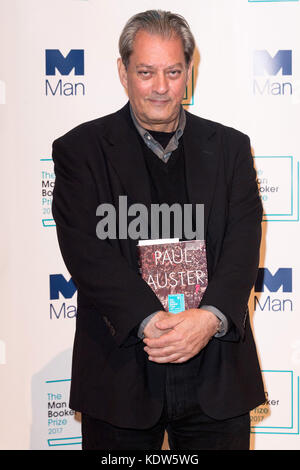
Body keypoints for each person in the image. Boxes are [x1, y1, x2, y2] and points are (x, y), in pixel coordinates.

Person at [52, 10, 265, 450]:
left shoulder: (230, 147)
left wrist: (208, 320)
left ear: (189, 70)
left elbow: (244, 244)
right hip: (120, 374)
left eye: (172, 71)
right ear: (123, 71)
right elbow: (85, 250)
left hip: (216, 374)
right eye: (146, 72)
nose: (161, 88)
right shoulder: (80, 150)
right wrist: (152, 322)